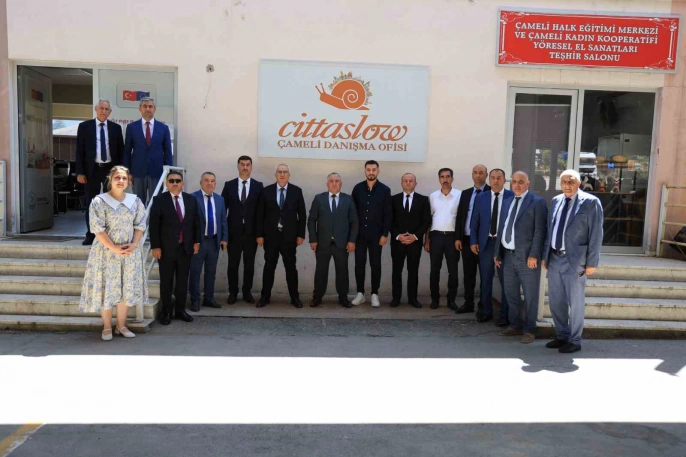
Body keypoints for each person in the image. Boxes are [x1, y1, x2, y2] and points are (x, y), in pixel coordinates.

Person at [79, 166, 147, 341]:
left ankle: (121, 326)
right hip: (105, 253)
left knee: (125, 288)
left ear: (129, 181)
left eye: (124, 178)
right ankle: (107, 327)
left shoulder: (135, 201)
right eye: (117, 177)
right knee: (107, 289)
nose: (121, 181)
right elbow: (97, 228)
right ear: (110, 179)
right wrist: (114, 248)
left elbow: (140, 225)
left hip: (129, 253)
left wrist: (134, 244)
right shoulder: (99, 201)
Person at [543, 170, 603, 354]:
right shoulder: (556, 201)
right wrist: (546, 256)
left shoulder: (591, 202)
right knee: (556, 301)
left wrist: (591, 262)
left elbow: (596, 233)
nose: (567, 185)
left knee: (575, 302)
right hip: (554, 258)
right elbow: (550, 229)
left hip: (576, 260)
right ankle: (561, 335)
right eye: (564, 182)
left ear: (578, 183)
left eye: (571, 182)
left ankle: (575, 340)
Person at [495, 171, 548, 344]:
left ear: (528, 183)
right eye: (515, 182)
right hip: (508, 256)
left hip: (527, 258)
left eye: (521, 181)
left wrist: (534, 255)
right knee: (511, 293)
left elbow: (540, 231)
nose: (517, 185)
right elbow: (502, 229)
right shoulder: (507, 201)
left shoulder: (537, 202)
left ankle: (530, 330)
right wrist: (497, 253)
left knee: (531, 295)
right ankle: (515, 325)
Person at [149, 171, 201, 325]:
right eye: (171, 181)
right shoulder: (159, 200)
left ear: (182, 183)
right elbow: (154, 225)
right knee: (166, 281)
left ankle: (180, 310)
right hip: (166, 250)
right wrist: (155, 246)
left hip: (185, 248)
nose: (174, 183)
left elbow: (196, 222)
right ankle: (166, 312)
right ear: (166, 183)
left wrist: (196, 242)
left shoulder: (191, 200)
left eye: (178, 181)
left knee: (182, 282)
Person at [255, 164, 307, 308]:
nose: (282, 174)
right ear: (275, 174)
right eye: (280, 172)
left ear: (289, 175)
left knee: (291, 268)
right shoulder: (266, 191)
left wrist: (301, 235)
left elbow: (302, 215)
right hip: (271, 237)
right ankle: (265, 297)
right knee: (269, 267)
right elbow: (260, 214)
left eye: (285, 172)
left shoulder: (296, 191)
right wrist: (259, 234)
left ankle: (295, 297)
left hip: (289, 237)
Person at [75, 99, 124, 245]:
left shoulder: (116, 128)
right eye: (101, 108)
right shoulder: (84, 127)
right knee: (92, 203)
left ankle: (110, 235)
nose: (103, 111)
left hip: (111, 170)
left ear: (110, 112)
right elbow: (79, 150)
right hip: (92, 170)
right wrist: (80, 172)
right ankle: (91, 235)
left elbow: (121, 151)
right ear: (96, 109)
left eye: (106, 109)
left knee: (112, 203)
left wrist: (121, 173)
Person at [308, 172, 359, 308]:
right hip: (322, 243)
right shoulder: (319, 198)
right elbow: (311, 220)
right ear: (327, 184)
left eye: (337, 181)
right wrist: (313, 239)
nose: (334, 183)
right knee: (321, 271)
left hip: (342, 243)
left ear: (341, 184)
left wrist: (352, 240)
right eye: (331, 181)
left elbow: (354, 221)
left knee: (342, 272)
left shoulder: (348, 199)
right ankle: (317, 297)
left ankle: (343, 298)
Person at [469, 169, 513, 326]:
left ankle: (505, 314)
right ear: (489, 180)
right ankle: (485, 311)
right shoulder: (481, 197)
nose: (495, 180)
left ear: (504, 180)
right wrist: (473, 241)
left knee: (505, 280)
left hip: (504, 245)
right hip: (486, 243)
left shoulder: (512, 196)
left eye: (499, 178)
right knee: (486, 279)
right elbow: (474, 221)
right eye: (493, 178)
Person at [221, 155, 264, 304]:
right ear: (238, 166)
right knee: (233, 265)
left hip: (251, 234)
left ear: (251, 167)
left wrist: (260, 234)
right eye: (242, 164)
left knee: (249, 265)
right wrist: (224, 235)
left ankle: (247, 292)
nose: (245, 167)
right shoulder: (229, 185)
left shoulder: (258, 186)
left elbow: (261, 212)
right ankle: (233, 293)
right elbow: (222, 211)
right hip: (233, 233)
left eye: (248, 164)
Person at [351, 160, 392, 308]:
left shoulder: (385, 190)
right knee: (359, 264)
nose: (371, 172)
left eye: (374, 170)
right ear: (365, 171)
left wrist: (385, 234)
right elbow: (352, 213)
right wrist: (352, 236)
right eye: (368, 170)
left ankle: (375, 294)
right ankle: (360, 294)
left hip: (376, 236)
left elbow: (388, 214)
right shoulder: (357, 189)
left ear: (378, 171)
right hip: (359, 235)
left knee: (375, 264)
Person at [390, 173, 432, 308]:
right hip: (398, 242)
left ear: (415, 183)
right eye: (405, 181)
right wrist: (398, 236)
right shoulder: (393, 199)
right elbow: (389, 220)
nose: (408, 183)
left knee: (413, 271)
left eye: (411, 181)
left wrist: (415, 236)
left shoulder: (423, 200)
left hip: (415, 242)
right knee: (397, 270)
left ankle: (413, 298)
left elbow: (426, 221)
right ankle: (396, 298)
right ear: (401, 183)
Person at [189, 172, 228, 311]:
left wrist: (224, 238)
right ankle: (195, 300)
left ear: (215, 184)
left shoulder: (220, 199)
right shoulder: (193, 198)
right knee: (195, 272)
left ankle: (209, 298)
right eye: (206, 180)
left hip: (214, 241)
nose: (209, 183)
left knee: (211, 272)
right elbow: (189, 222)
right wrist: (193, 241)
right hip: (198, 242)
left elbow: (223, 220)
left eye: (212, 181)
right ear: (201, 183)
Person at [123, 97, 173, 205]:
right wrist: (127, 172)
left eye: (150, 106)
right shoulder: (131, 127)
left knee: (156, 204)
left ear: (154, 109)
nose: (148, 109)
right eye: (145, 106)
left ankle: (153, 218)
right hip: (137, 173)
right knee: (138, 204)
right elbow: (127, 151)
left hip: (157, 173)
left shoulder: (163, 128)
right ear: (140, 108)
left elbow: (168, 153)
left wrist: (168, 174)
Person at [454, 164, 490, 314]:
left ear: (486, 175)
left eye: (481, 173)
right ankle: (468, 303)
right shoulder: (466, 193)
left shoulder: (491, 192)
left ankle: (483, 305)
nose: (478, 175)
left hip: (485, 241)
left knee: (485, 275)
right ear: (472, 174)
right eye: (475, 172)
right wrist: (458, 237)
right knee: (468, 274)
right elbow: (460, 216)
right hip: (467, 240)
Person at [425, 168, 462, 309]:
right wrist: (427, 240)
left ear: (452, 178)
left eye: (448, 176)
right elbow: (429, 220)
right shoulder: (433, 196)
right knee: (434, 270)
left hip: (453, 238)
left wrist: (459, 238)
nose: (445, 179)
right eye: (442, 177)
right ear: (439, 179)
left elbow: (462, 219)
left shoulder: (459, 195)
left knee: (453, 271)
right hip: (436, 237)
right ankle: (435, 299)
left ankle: (451, 300)